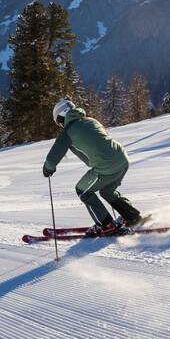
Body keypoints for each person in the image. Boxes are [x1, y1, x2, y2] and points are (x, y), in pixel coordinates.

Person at [42, 98, 144, 236]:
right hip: (123, 160)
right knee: (107, 192)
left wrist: (48, 168)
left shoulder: (68, 131)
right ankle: (132, 217)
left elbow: (54, 155)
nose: (60, 125)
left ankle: (106, 225)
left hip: (105, 167)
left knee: (83, 190)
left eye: (59, 122)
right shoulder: (92, 121)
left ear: (62, 117)